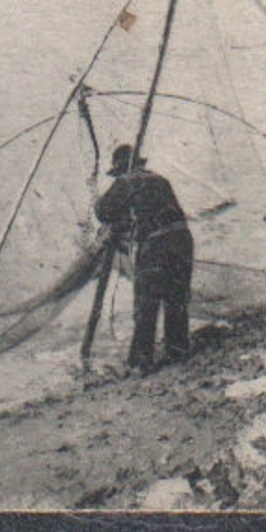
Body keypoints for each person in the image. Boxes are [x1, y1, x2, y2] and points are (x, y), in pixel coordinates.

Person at [94, 143, 194, 372]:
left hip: (156, 244)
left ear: (120, 169)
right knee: (176, 299)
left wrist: (98, 200)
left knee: (146, 303)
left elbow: (104, 211)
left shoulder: (125, 182)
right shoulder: (159, 179)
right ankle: (177, 351)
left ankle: (141, 361)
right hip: (182, 240)